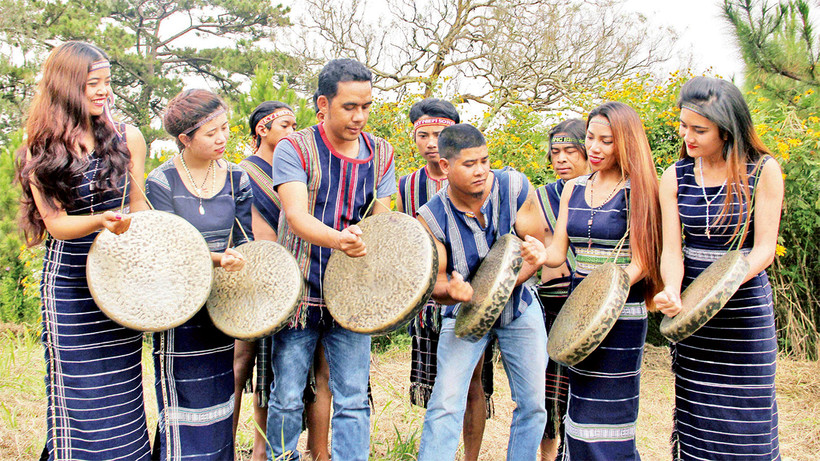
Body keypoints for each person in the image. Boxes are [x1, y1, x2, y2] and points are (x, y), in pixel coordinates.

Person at [17, 41, 151, 461]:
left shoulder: (128, 137)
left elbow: (139, 207)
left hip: (117, 280)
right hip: (69, 285)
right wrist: (99, 221)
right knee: (78, 390)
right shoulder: (39, 149)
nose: (103, 92)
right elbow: (56, 225)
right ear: (66, 86)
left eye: (107, 83)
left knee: (121, 388)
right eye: (93, 83)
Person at [267, 58, 396, 461]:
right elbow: (297, 217)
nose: (360, 116)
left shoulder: (381, 152)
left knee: (354, 397)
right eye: (349, 107)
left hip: (353, 293)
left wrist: (375, 244)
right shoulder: (294, 148)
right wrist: (342, 240)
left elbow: (384, 219)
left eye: (367, 106)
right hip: (300, 287)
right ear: (323, 103)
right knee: (287, 395)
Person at [522, 102, 662, 460]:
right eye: (591, 138)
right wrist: (540, 255)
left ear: (626, 143)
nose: (595, 148)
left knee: (609, 414)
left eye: (606, 141)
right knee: (578, 411)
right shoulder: (575, 188)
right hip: (578, 313)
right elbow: (559, 253)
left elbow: (644, 260)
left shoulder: (640, 190)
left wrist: (605, 297)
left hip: (621, 315)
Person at [653, 76, 783, 460]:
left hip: (744, 316)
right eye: (683, 126)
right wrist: (674, 290)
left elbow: (763, 251)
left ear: (726, 130)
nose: (687, 136)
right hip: (695, 316)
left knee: (747, 424)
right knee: (699, 424)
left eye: (699, 130)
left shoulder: (763, 170)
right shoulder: (674, 176)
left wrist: (721, 288)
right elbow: (673, 252)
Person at [416, 123, 548, 461]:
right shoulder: (430, 216)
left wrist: (526, 266)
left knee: (533, 402)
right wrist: (453, 291)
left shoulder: (515, 186)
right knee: (446, 401)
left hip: (519, 308)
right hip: (462, 315)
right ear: (445, 167)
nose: (480, 171)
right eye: (469, 164)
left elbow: (535, 246)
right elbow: (436, 281)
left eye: (485, 161)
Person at [146, 89, 253, 460]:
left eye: (224, 128)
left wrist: (236, 259)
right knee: (181, 399)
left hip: (218, 305)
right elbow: (166, 246)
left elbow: (243, 239)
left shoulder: (237, 178)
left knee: (218, 397)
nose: (222, 138)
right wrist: (216, 258)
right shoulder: (161, 182)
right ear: (184, 138)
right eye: (211, 133)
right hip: (177, 307)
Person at [397, 98, 494, 461]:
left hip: (473, 295)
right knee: (439, 385)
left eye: (439, 134)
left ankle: (469, 456)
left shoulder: (482, 181)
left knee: (471, 383)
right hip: (429, 297)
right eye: (424, 134)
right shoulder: (407, 187)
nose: (431, 142)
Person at [232, 101, 297, 461]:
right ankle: (223, 445)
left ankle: (261, 450)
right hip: (253, 274)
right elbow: (247, 227)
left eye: (294, 126)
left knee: (270, 370)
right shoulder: (243, 173)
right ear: (262, 129)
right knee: (241, 363)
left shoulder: (293, 171)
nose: (292, 132)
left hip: (290, 278)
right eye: (285, 125)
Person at [533, 118, 589, 461]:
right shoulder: (540, 198)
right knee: (549, 393)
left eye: (570, 150)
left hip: (590, 301)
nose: (561, 159)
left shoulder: (605, 193)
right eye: (555, 152)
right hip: (552, 303)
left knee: (586, 390)